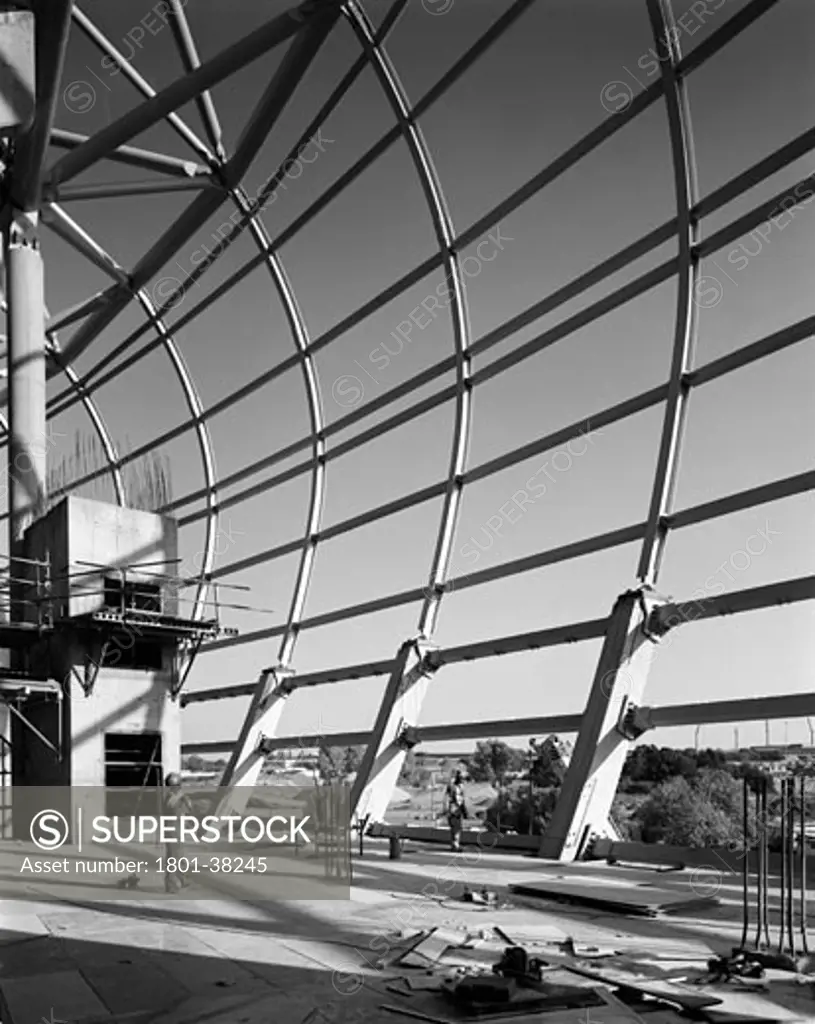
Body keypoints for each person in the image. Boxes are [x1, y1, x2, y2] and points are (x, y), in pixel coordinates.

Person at [163, 772, 193, 893]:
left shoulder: (179, 797)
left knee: (179, 856)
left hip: (178, 829)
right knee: (172, 857)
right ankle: (171, 885)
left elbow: (188, 809)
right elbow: (170, 805)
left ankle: (182, 879)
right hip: (171, 830)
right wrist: (181, 796)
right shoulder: (170, 796)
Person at [445, 769, 467, 852]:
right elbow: (447, 798)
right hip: (453, 809)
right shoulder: (451, 786)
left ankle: (455, 844)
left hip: (459, 809)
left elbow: (462, 799)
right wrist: (447, 810)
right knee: (455, 828)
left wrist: (464, 811)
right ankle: (455, 845)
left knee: (458, 828)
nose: (462, 780)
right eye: (461, 778)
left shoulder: (461, 787)